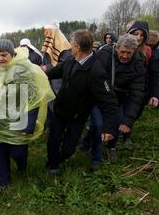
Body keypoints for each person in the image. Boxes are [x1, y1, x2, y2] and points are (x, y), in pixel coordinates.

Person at [0, 39, 54, 192]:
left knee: (17, 151)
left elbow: (34, 97)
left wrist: (29, 123)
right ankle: (4, 181)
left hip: (19, 116)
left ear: (11, 53)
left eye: (4, 55)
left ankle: (22, 166)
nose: (0, 58)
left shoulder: (22, 69)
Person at [45, 29, 118, 174]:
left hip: (77, 117)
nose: (70, 47)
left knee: (69, 148)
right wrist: (38, 73)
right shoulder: (71, 60)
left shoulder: (96, 72)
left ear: (77, 47)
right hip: (59, 111)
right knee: (53, 140)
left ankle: (61, 158)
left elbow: (109, 102)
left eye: (71, 45)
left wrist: (109, 128)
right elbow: (54, 72)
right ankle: (52, 166)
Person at [87, 34, 146, 169]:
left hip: (118, 99)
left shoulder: (138, 62)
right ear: (116, 48)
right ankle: (96, 158)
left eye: (128, 53)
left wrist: (128, 119)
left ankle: (111, 148)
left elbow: (137, 92)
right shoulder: (104, 54)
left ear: (134, 51)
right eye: (122, 52)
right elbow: (94, 78)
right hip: (99, 97)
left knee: (116, 124)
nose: (125, 56)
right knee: (98, 124)